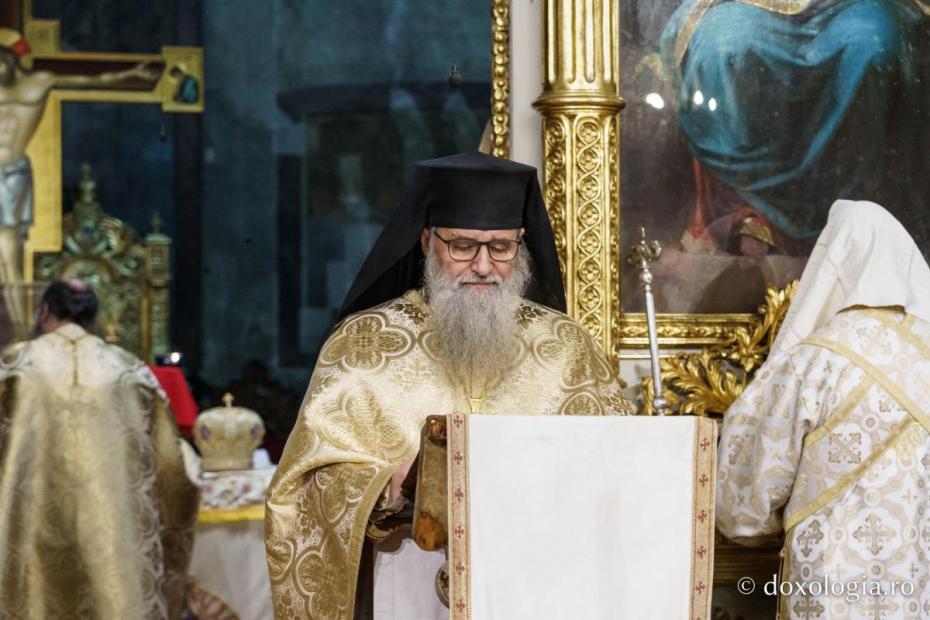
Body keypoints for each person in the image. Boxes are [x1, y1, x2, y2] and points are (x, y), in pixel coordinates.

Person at [265, 151, 634, 619]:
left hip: (536, 578)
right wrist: (382, 486)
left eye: (501, 247)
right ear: (427, 241)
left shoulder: (565, 346)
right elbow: (302, 483)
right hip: (409, 579)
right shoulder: (363, 344)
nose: (482, 265)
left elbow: (616, 464)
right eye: (462, 246)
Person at [716, 200, 930, 617]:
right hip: (916, 581)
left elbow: (752, 494)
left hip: (829, 586)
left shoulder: (816, 359)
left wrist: (754, 524)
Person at [660, 0, 930, 256]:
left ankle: (855, 224)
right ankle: (744, 210)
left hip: (848, 7)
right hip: (752, 7)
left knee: (869, 44)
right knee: (718, 46)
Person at [0, 279, 198, 618]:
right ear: (94, 319)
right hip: (113, 554)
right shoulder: (131, 374)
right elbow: (171, 476)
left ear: (45, 312)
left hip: (27, 544)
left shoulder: (12, 369)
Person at [0, 29, 158, 338]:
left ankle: (19, 335)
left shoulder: (40, 81)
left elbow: (89, 80)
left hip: (13, 174)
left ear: (12, 59)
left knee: (9, 253)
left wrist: (130, 73)